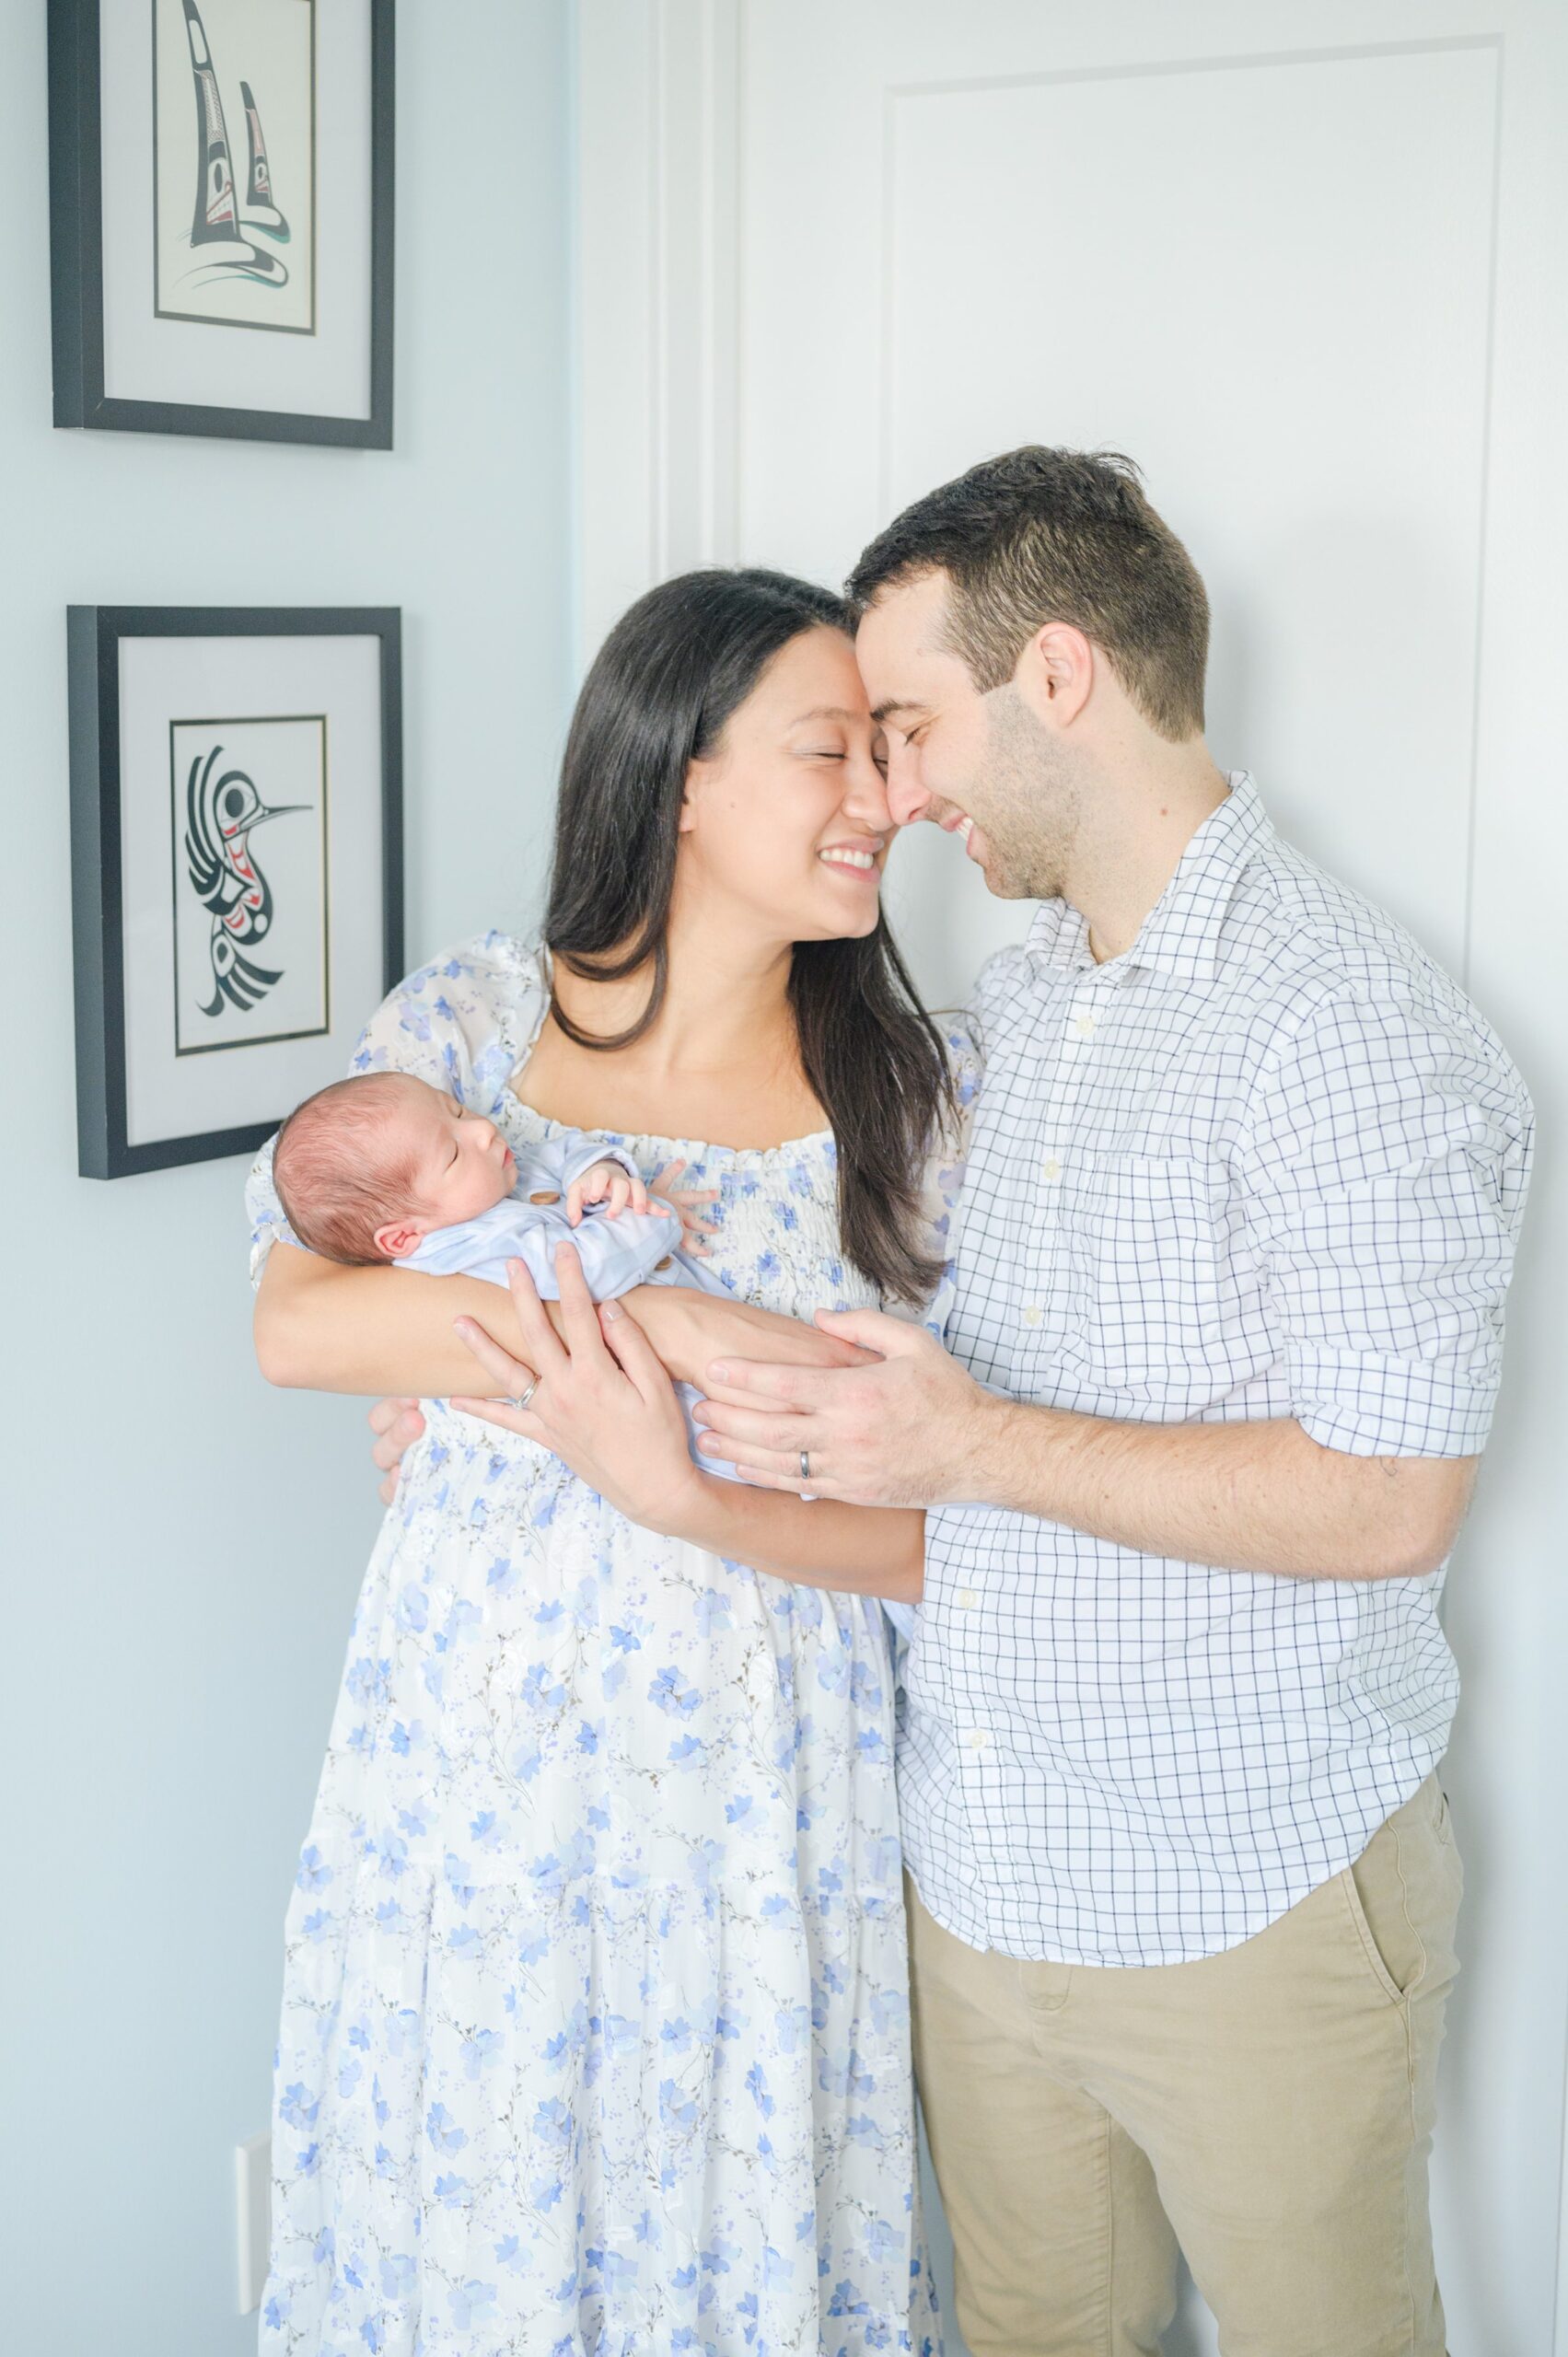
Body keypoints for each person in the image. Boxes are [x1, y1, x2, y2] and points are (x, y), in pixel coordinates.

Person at [670, 450, 1534, 2355]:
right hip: (979, 1886)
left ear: (1054, 673)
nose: (893, 793)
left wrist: (967, 1444)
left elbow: (1387, 1495)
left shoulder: (1349, 1030)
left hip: (1252, 1903)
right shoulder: (1040, 989)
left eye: (907, 724)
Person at [247, 568, 971, 2355]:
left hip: (759, 1788)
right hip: (471, 1768)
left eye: (886, 748)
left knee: (726, 2230)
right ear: (678, 781)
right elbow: (300, 1327)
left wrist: (517, 1349)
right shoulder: (477, 1031)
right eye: (828, 749)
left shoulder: (907, 1098)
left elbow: (945, 1522)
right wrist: (717, 1337)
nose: (881, 796)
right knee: (480, 2218)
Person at [270, 1069, 745, 1480]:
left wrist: (599, 1171)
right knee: (738, 1441)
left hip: (712, 1344)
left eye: (455, 1111)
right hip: (670, 1404)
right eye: (452, 1154)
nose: (479, 1130)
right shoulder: (475, 1251)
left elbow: (561, 1154)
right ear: (403, 1239)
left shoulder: (493, 1182)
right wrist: (655, 1212)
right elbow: (588, 1273)